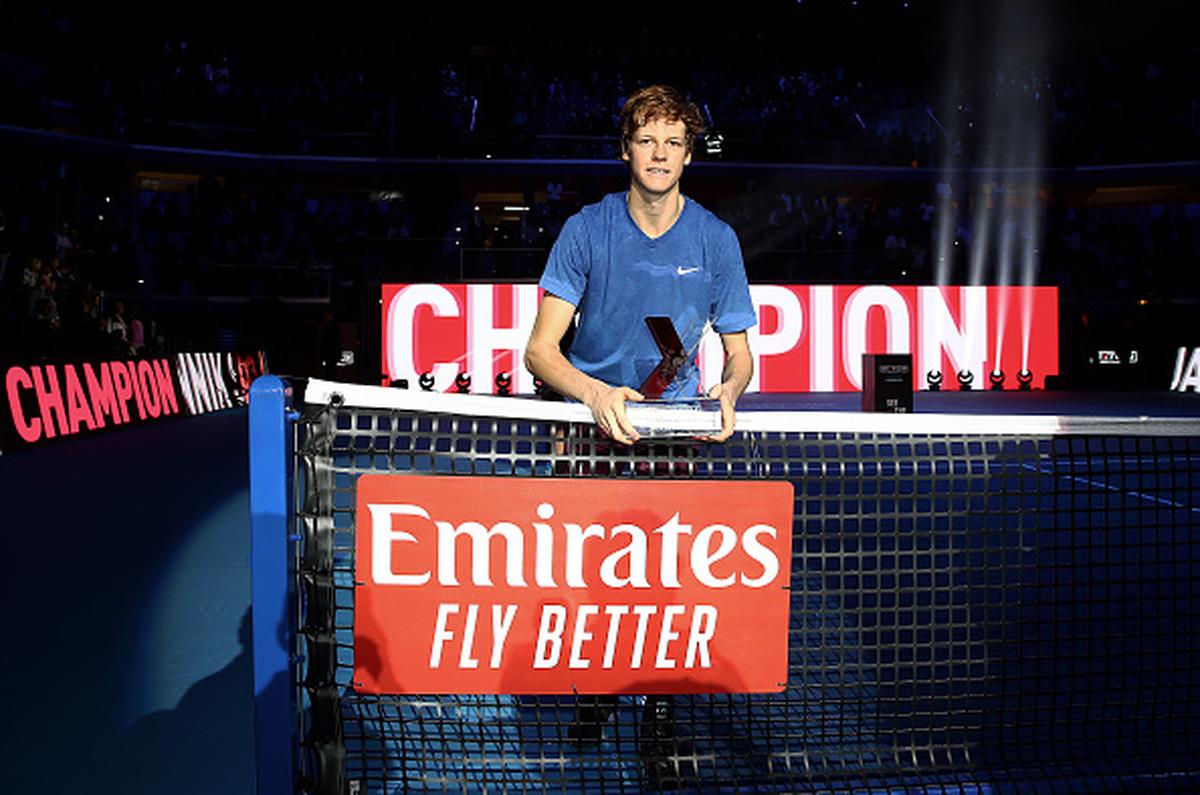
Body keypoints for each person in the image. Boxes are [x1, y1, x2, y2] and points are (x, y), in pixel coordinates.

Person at [524, 84, 756, 444]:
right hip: (587, 421)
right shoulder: (586, 229)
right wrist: (594, 395)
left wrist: (729, 390)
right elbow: (539, 352)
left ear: (688, 155)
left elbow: (739, 353)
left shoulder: (717, 239)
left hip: (676, 423)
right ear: (625, 150)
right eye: (647, 140)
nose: (660, 154)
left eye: (674, 143)